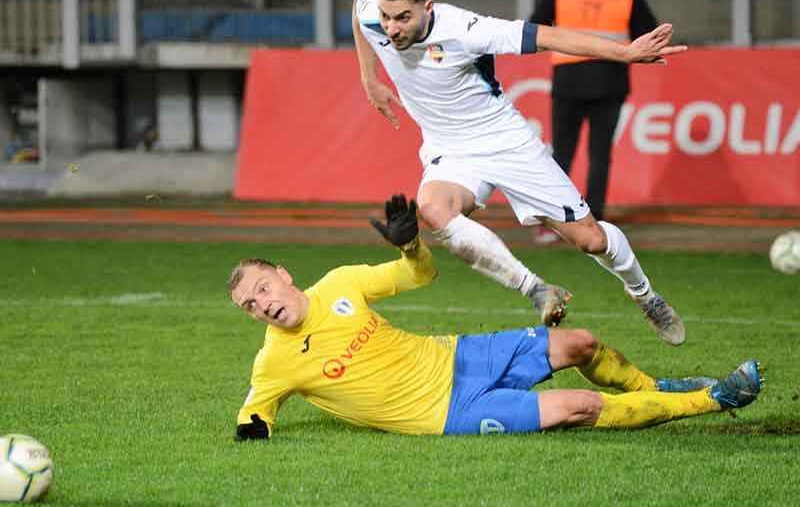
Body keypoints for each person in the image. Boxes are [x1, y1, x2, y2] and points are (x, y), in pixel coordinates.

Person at [229, 194, 761, 440]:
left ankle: (655, 386)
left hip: (459, 354)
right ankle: (711, 399)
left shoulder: (339, 284)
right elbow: (255, 416)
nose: (262, 303)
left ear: (283, 274)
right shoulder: (273, 363)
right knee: (577, 406)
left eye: (262, 287)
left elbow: (420, 277)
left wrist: (411, 244)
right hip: (447, 413)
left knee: (581, 342)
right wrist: (253, 433)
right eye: (250, 305)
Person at [351, 0, 686, 345]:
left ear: (428, 7)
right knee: (432, 208)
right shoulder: (372, 12)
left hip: (505, 141)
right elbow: (361, 16)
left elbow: (548, 37)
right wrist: (369, 78)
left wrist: (624, 53)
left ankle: (645, 295)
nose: (391, 29)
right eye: (386, 16)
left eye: (403, 18)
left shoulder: (465, 30)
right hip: (449, 148)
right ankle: (536, 289)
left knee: (591, 240)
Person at [529, 0, 658, 224]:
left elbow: (536, 22)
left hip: (568, 79)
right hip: (610, 80)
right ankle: (595, 220)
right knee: (600, 154)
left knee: (562, 153)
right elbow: (647, 31)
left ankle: (556, 220)